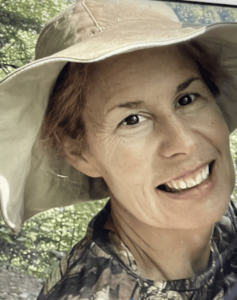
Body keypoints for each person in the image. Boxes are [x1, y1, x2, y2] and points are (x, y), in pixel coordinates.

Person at [1, 0, 237, 299]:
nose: (185, 143)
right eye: (132, 120)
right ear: (79, 152)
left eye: (187, 99)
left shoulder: (213, 213)